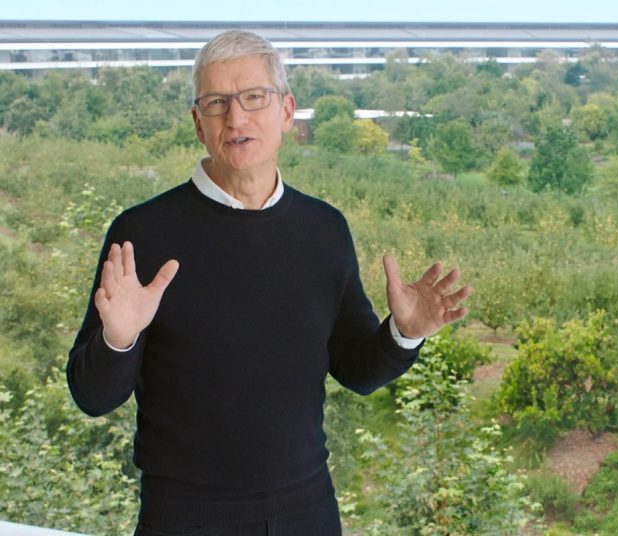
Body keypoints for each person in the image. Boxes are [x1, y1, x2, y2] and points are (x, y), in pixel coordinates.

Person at [67, 30, 471, 536]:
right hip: (184, 516)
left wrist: (403, 334)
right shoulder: (142, 233)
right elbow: (92, 397)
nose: (236, 118)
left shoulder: (324, 230)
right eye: (217, 103)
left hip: (307, 510)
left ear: (286, 111)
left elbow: (357, 371)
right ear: (198, 123)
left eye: (254, 97)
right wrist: (118, 339)